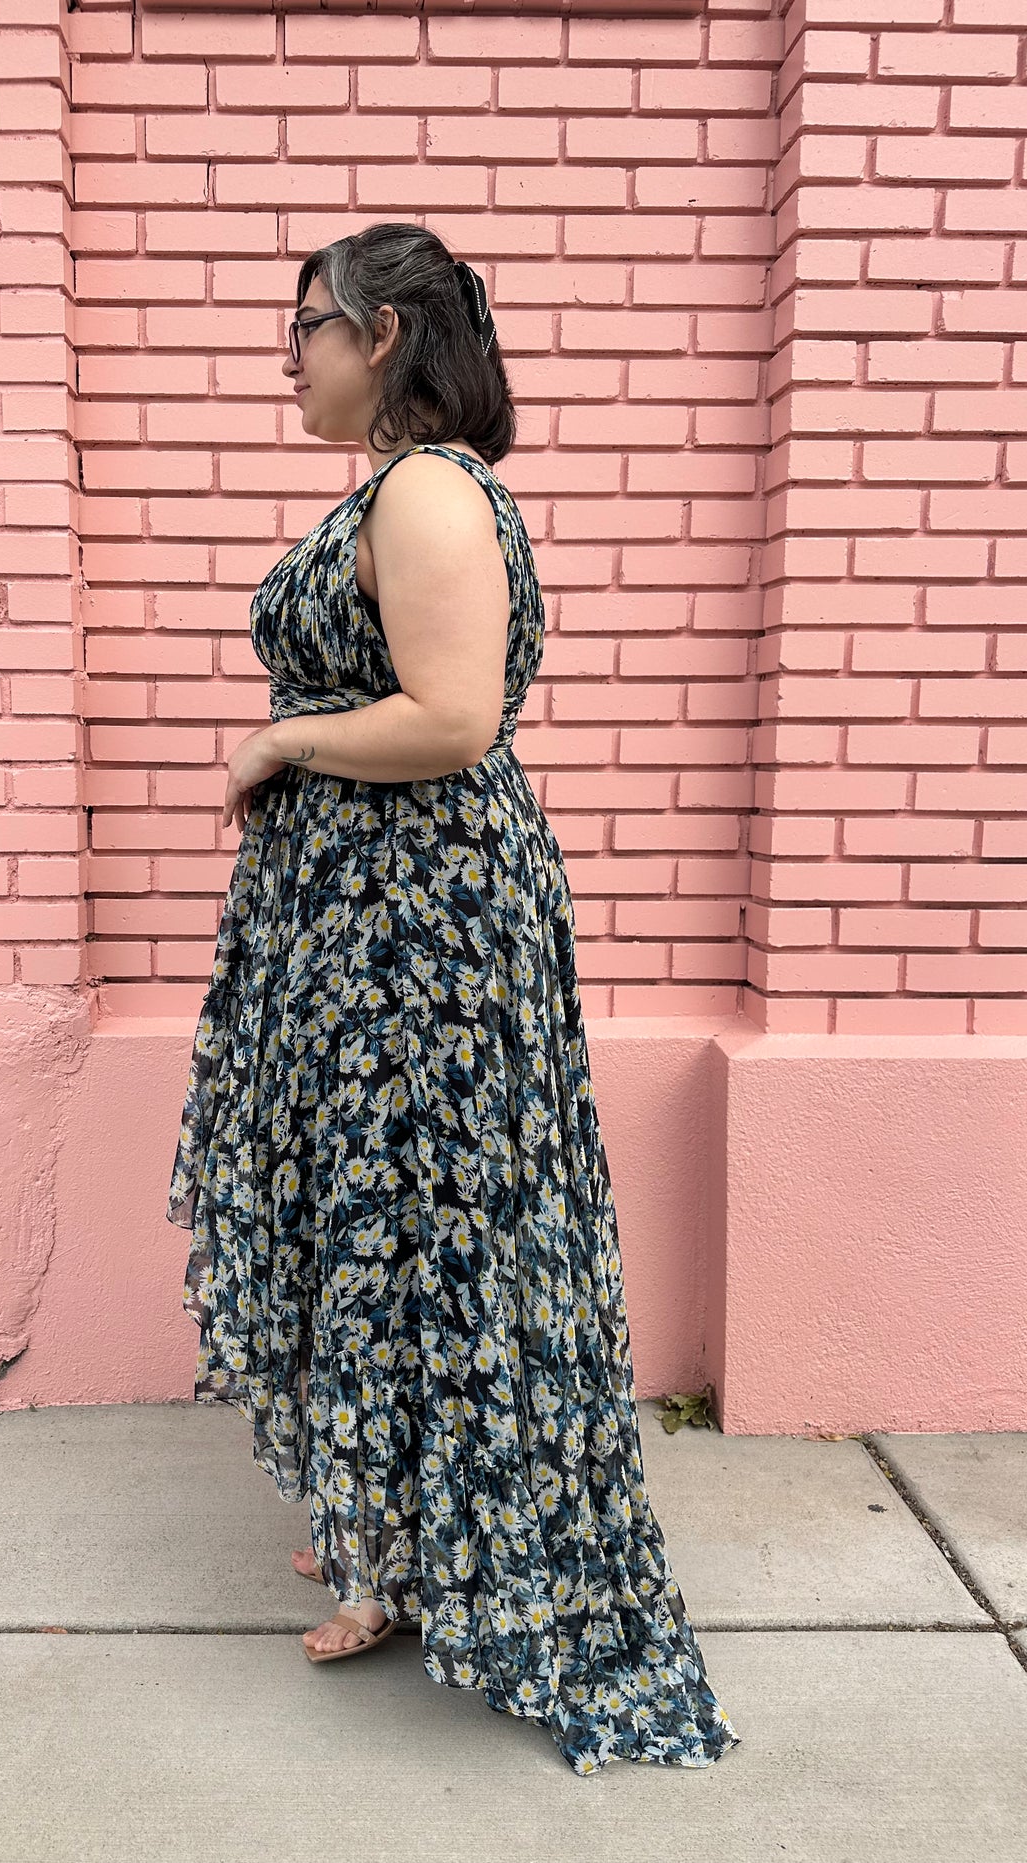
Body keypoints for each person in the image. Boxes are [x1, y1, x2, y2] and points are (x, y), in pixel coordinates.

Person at [165, 221, 742, 1774]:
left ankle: (414, 1557)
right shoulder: (391, 491)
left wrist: (280, 743)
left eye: (308, 325)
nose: (287, 356)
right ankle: (404, 1523)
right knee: (394, 1223)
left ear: (389, 338)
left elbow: (452, 718)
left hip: (415, 931)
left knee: (411, 1228)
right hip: (365, 921)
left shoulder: (425, 490)